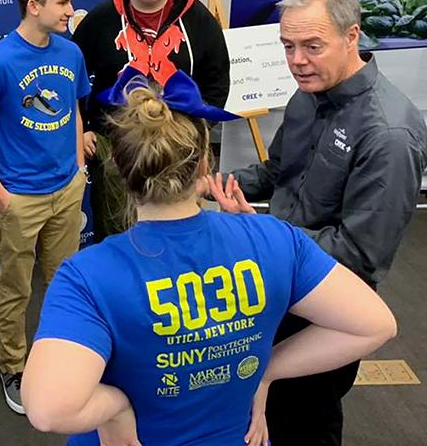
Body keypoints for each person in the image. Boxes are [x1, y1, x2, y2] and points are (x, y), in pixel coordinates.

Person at [21, 67, 397, 446]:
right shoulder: (275, 239)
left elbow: (50, 410)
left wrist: (116, 407)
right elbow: (374, 324)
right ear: (204, 164)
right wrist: (264, 371)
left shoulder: (87, 277)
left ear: (120, 168)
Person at [216, 0, 427, 446]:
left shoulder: (389, 133)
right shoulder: (307, 93)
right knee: (265, 407)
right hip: (276, 283)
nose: (296, 61)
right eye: (288, 46)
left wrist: (260, 231)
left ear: (352, 37)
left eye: (312, 46)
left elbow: (360, 254)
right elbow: (278, 170)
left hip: (326, 306)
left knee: (307, 416)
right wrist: (217, 185)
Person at [0, 0, 90, 414]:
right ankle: (14, 367)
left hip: (66, 191)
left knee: (64, 283)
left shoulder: (70, 52)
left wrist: (77, 170)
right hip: (20, 198)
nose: (71, 9)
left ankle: (61, 357)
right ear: (34, 6)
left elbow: (74, 108)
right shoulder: (0, 62)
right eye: (63, 2)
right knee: (16, 290)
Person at [72, 0, 230, 241]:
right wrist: (84, 127)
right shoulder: (101, 21)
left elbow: (217, 78)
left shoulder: (198, 20)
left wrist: (199, 127)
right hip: (117, 142)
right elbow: (72, 77)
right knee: (117, 229)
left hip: (179, 138)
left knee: (178, 222)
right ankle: (122, 285)